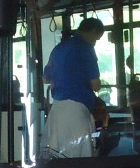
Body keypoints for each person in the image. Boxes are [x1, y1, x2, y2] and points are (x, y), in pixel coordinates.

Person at [43, 18, 106, 158]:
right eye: (97, 38)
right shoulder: (86, 48)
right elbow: (96, 85)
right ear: (93, 31)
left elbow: (45, 78)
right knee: (78, 161)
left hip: (57, 110)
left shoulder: (58, 48)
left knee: (57, 158)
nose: (95, 42)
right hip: (76, 112)